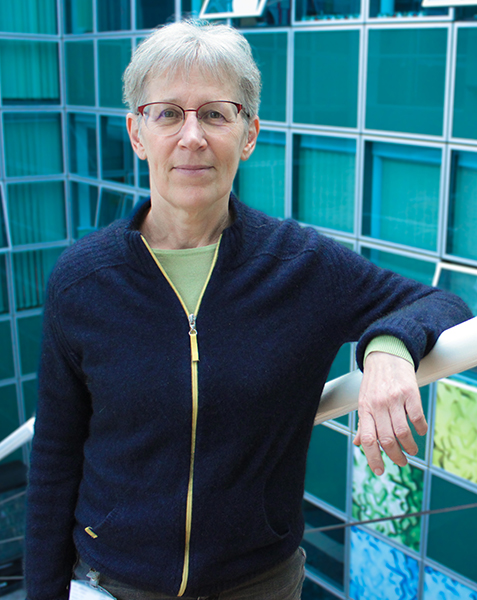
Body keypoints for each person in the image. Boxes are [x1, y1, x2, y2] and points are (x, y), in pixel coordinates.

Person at [25, 20, 471, 600]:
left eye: (216, 114)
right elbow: (55, 459)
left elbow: (441, 302)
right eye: (168, 113)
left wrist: (389, 347)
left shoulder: (300, 265)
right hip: (114, 582)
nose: (192, 136)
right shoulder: (83, 281)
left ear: (249, 133)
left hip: (259, 585)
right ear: (137, 133)